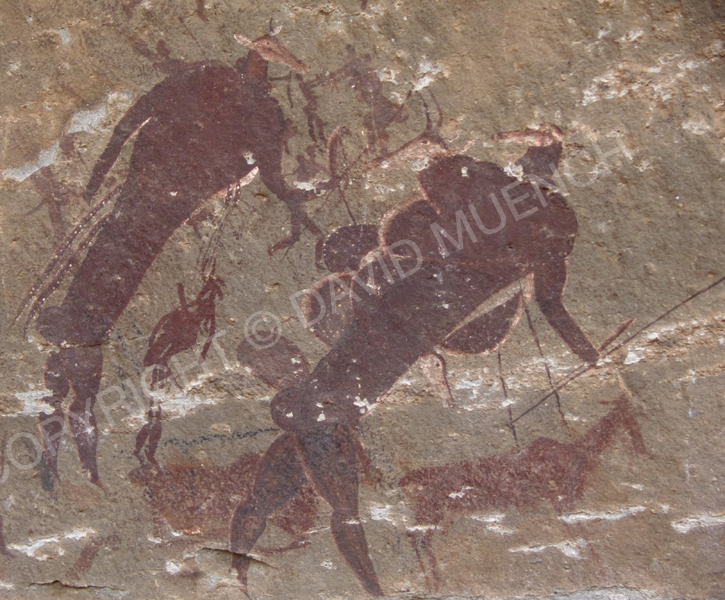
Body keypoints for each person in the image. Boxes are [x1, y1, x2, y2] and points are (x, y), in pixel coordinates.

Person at [230, 125, 601, 596]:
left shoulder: (485, 206)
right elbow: (552, 305)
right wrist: (592, 356)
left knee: (301, 500)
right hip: (355, 376)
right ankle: (365, 589)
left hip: (358, 365)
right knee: (332, 506)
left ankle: (305, 580)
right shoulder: (539, 227)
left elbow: (447, 191)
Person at [28, 33, 317, 487]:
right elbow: (271, 176)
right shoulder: (252, 103)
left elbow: (132, 122)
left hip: (149, 199)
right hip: (156, 203)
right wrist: (297, 197)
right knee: (108, 284)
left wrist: (100, 174)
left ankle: (69, 442)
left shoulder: (225, 88)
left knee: (107, 272)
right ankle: (71, 440)